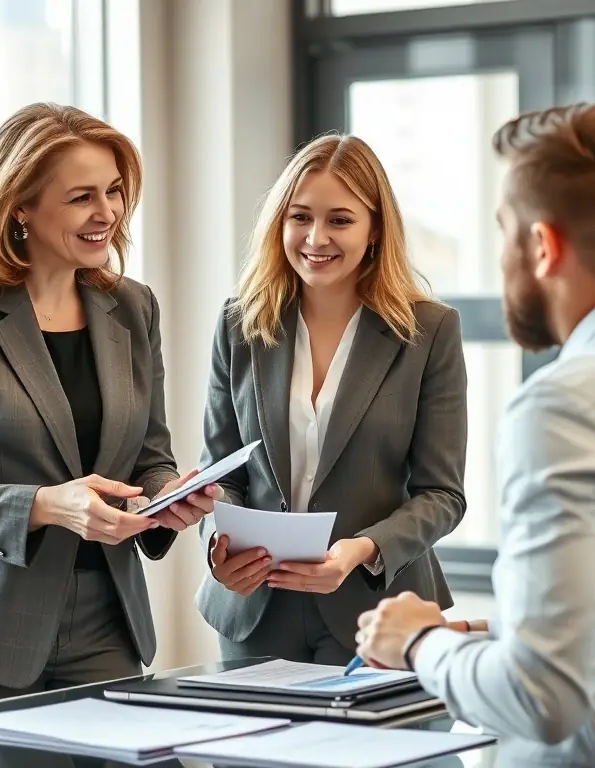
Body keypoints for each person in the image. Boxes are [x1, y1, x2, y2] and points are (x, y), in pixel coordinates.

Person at [355, 102, 595, 765]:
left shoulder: (568, 407)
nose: (501, 257)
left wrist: (416, 642)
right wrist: (488, 633)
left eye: (503, 231)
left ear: (544, 246)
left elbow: (541, 696)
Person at [0, 103, 217, 710]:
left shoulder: (133, 307)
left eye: (114, 192)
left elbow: (149, 454)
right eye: (82, 197)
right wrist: (47, 506)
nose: (107, 213)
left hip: (106, 616)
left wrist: (167, 499)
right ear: (19, 205)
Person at [194, 133, 468, 664]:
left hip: (375, 610)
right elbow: (219, 474)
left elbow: (443, 495)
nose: (316, 237)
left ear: (374, 231)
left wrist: (359, 551)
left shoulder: (429, 331)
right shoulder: (240, 325)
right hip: (254, 610)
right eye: (300, 217)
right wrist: (217, 544)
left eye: (340, 220)